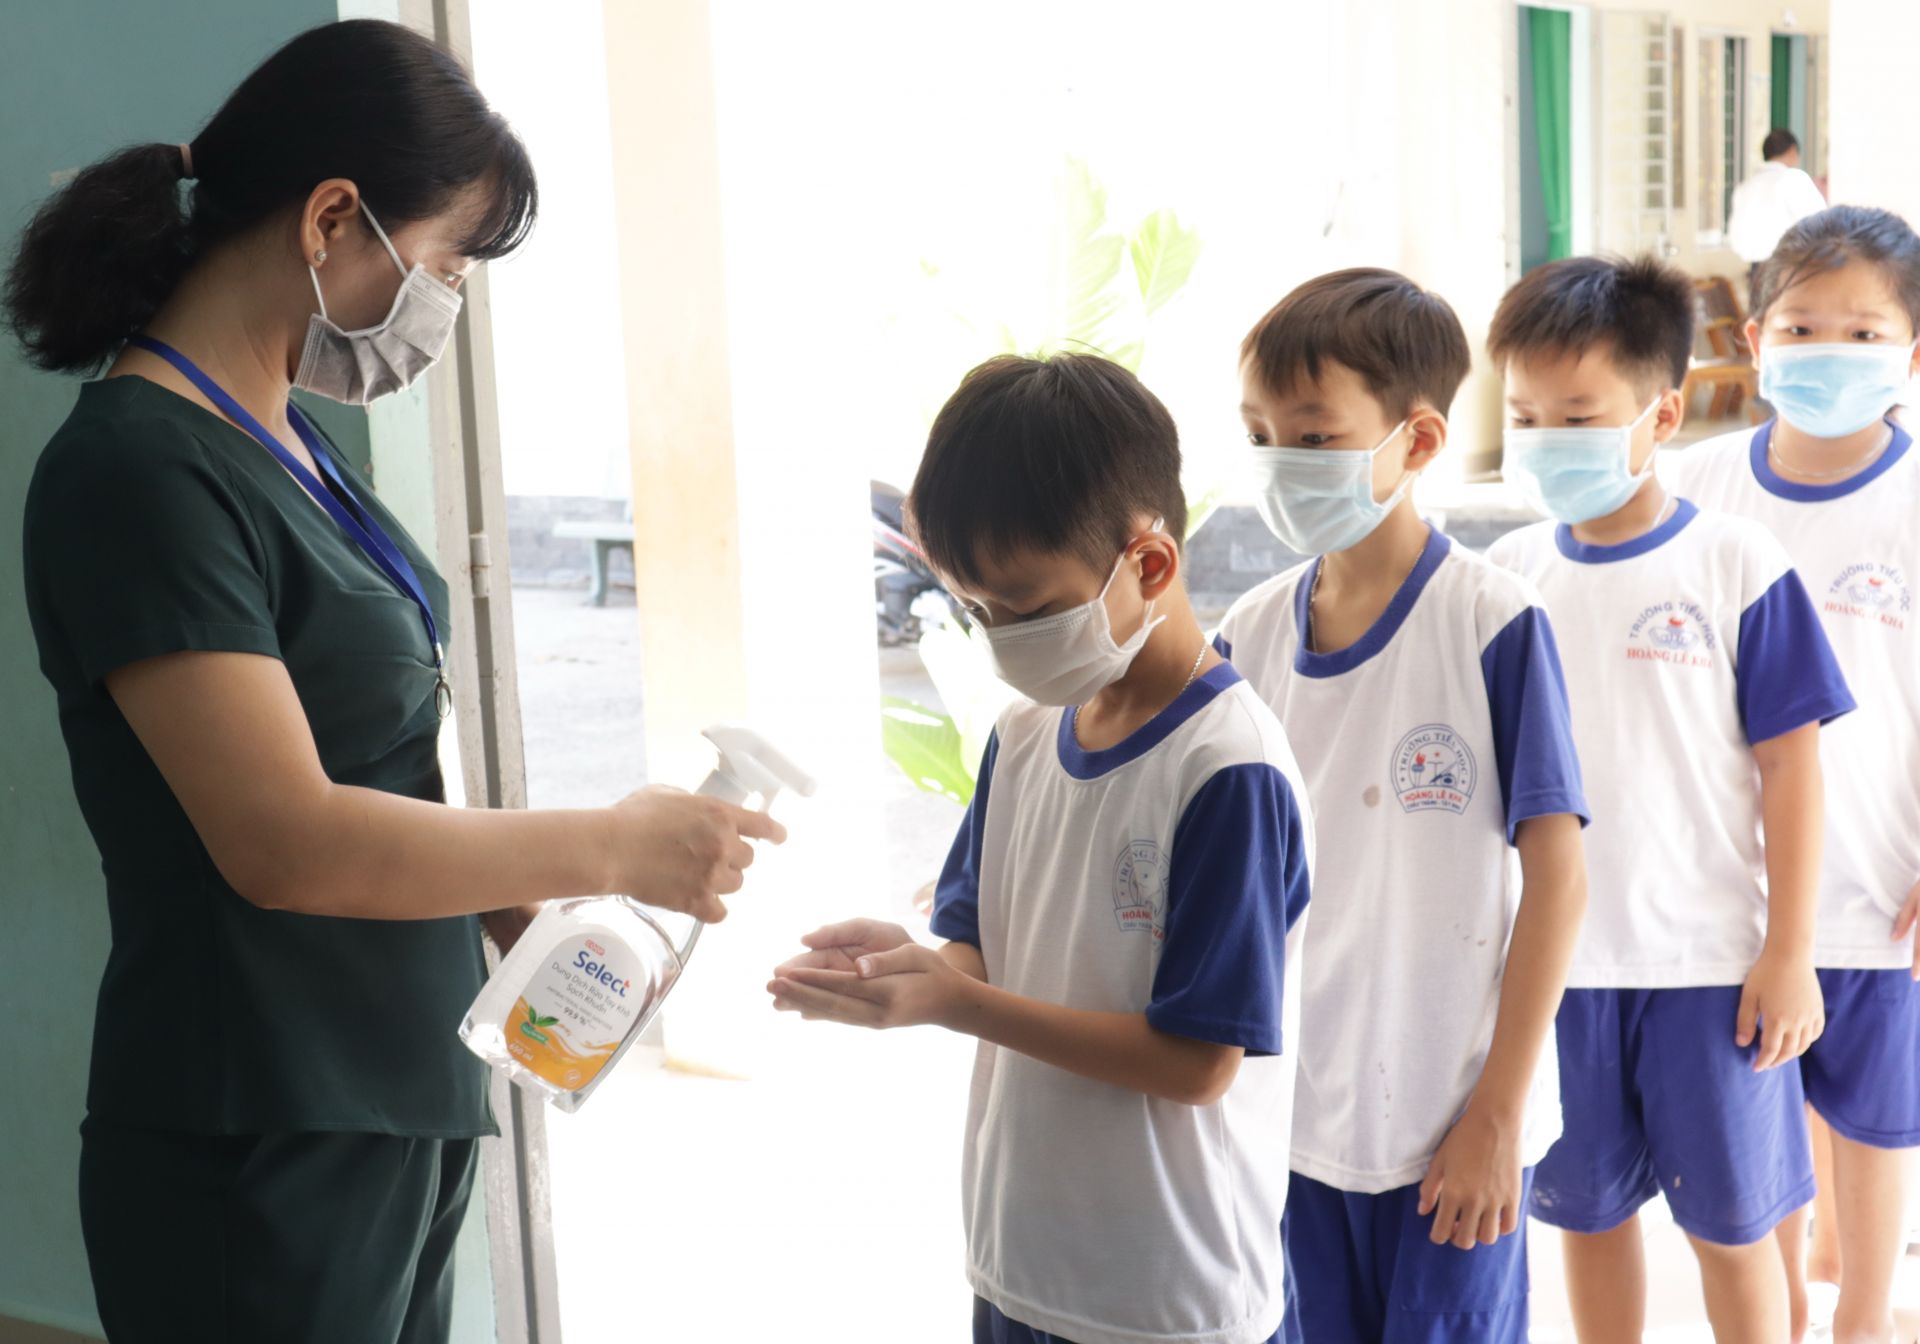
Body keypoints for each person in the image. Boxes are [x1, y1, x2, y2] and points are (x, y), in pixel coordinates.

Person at [5, 21, 782, 1344]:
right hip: (258, 1136)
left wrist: (521, 917)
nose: (446, 305)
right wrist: (612, 842)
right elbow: (283, 840)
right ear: (330, 221)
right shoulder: (138, 472)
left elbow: (384, 748)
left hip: (395, 1098)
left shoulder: (292, 443)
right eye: (444, 265)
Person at [769, 353, 1314, 1344]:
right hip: (1020, 1262)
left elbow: (1198, 1062)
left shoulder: (1225, 768)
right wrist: (912, 973)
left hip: (1167, 1295)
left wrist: (957, 1001)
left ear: (1149, 565)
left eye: (1027, 608)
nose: (1002, 638)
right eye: (977, 610)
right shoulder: (1024, 734)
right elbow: (979, 947)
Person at [1485, 253, 1854, 1344]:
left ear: (1662, 413)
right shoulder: (1506, 578)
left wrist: (1790, 952)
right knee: (1586, 1219)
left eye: (1578, 417)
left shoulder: (1737, 561)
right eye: (1525, 417)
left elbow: (1792, 770)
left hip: (1711, 972)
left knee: (1735, 1232)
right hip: (1559, 976)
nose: (1548, 440)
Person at [1218, 268, 1590, 1342]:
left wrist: (1498, 1115)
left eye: (1314, 436)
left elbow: (1559, 882)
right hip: (1288, 1125)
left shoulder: (1491, 620)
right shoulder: (1247, 636)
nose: (1281, 462)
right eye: (1259, 434)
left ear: (1418, 440)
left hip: (1449, 1128)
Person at [1673, 204, 1920, 1344]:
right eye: (1803, 326)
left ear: (1911, 354)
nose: (1830, 353)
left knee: (1876, 1124)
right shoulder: (1699, 488)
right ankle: (1781, 1312)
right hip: (1732, 898)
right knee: (1756, 1137)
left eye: (1865, 334)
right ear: (1756, 339)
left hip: (1881, 883)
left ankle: (1863, 1316)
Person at [1729, 129, 1829, 283]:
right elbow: (1822, 223)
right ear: (1792, 151)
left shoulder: (1744, 188)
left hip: (1757, 273)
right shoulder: (1793, 179)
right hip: (1791, 268)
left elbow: (1735, 239)